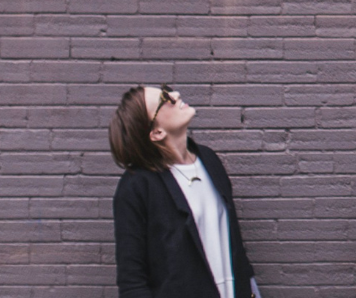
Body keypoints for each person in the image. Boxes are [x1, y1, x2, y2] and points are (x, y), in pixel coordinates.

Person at [110, 85, 258, 298]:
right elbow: (132, 281)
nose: (176, 95)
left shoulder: (209, 161)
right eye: (164, 98)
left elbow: (233, 244)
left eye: (167, 90)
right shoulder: (137, 186)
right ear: (156, 132)